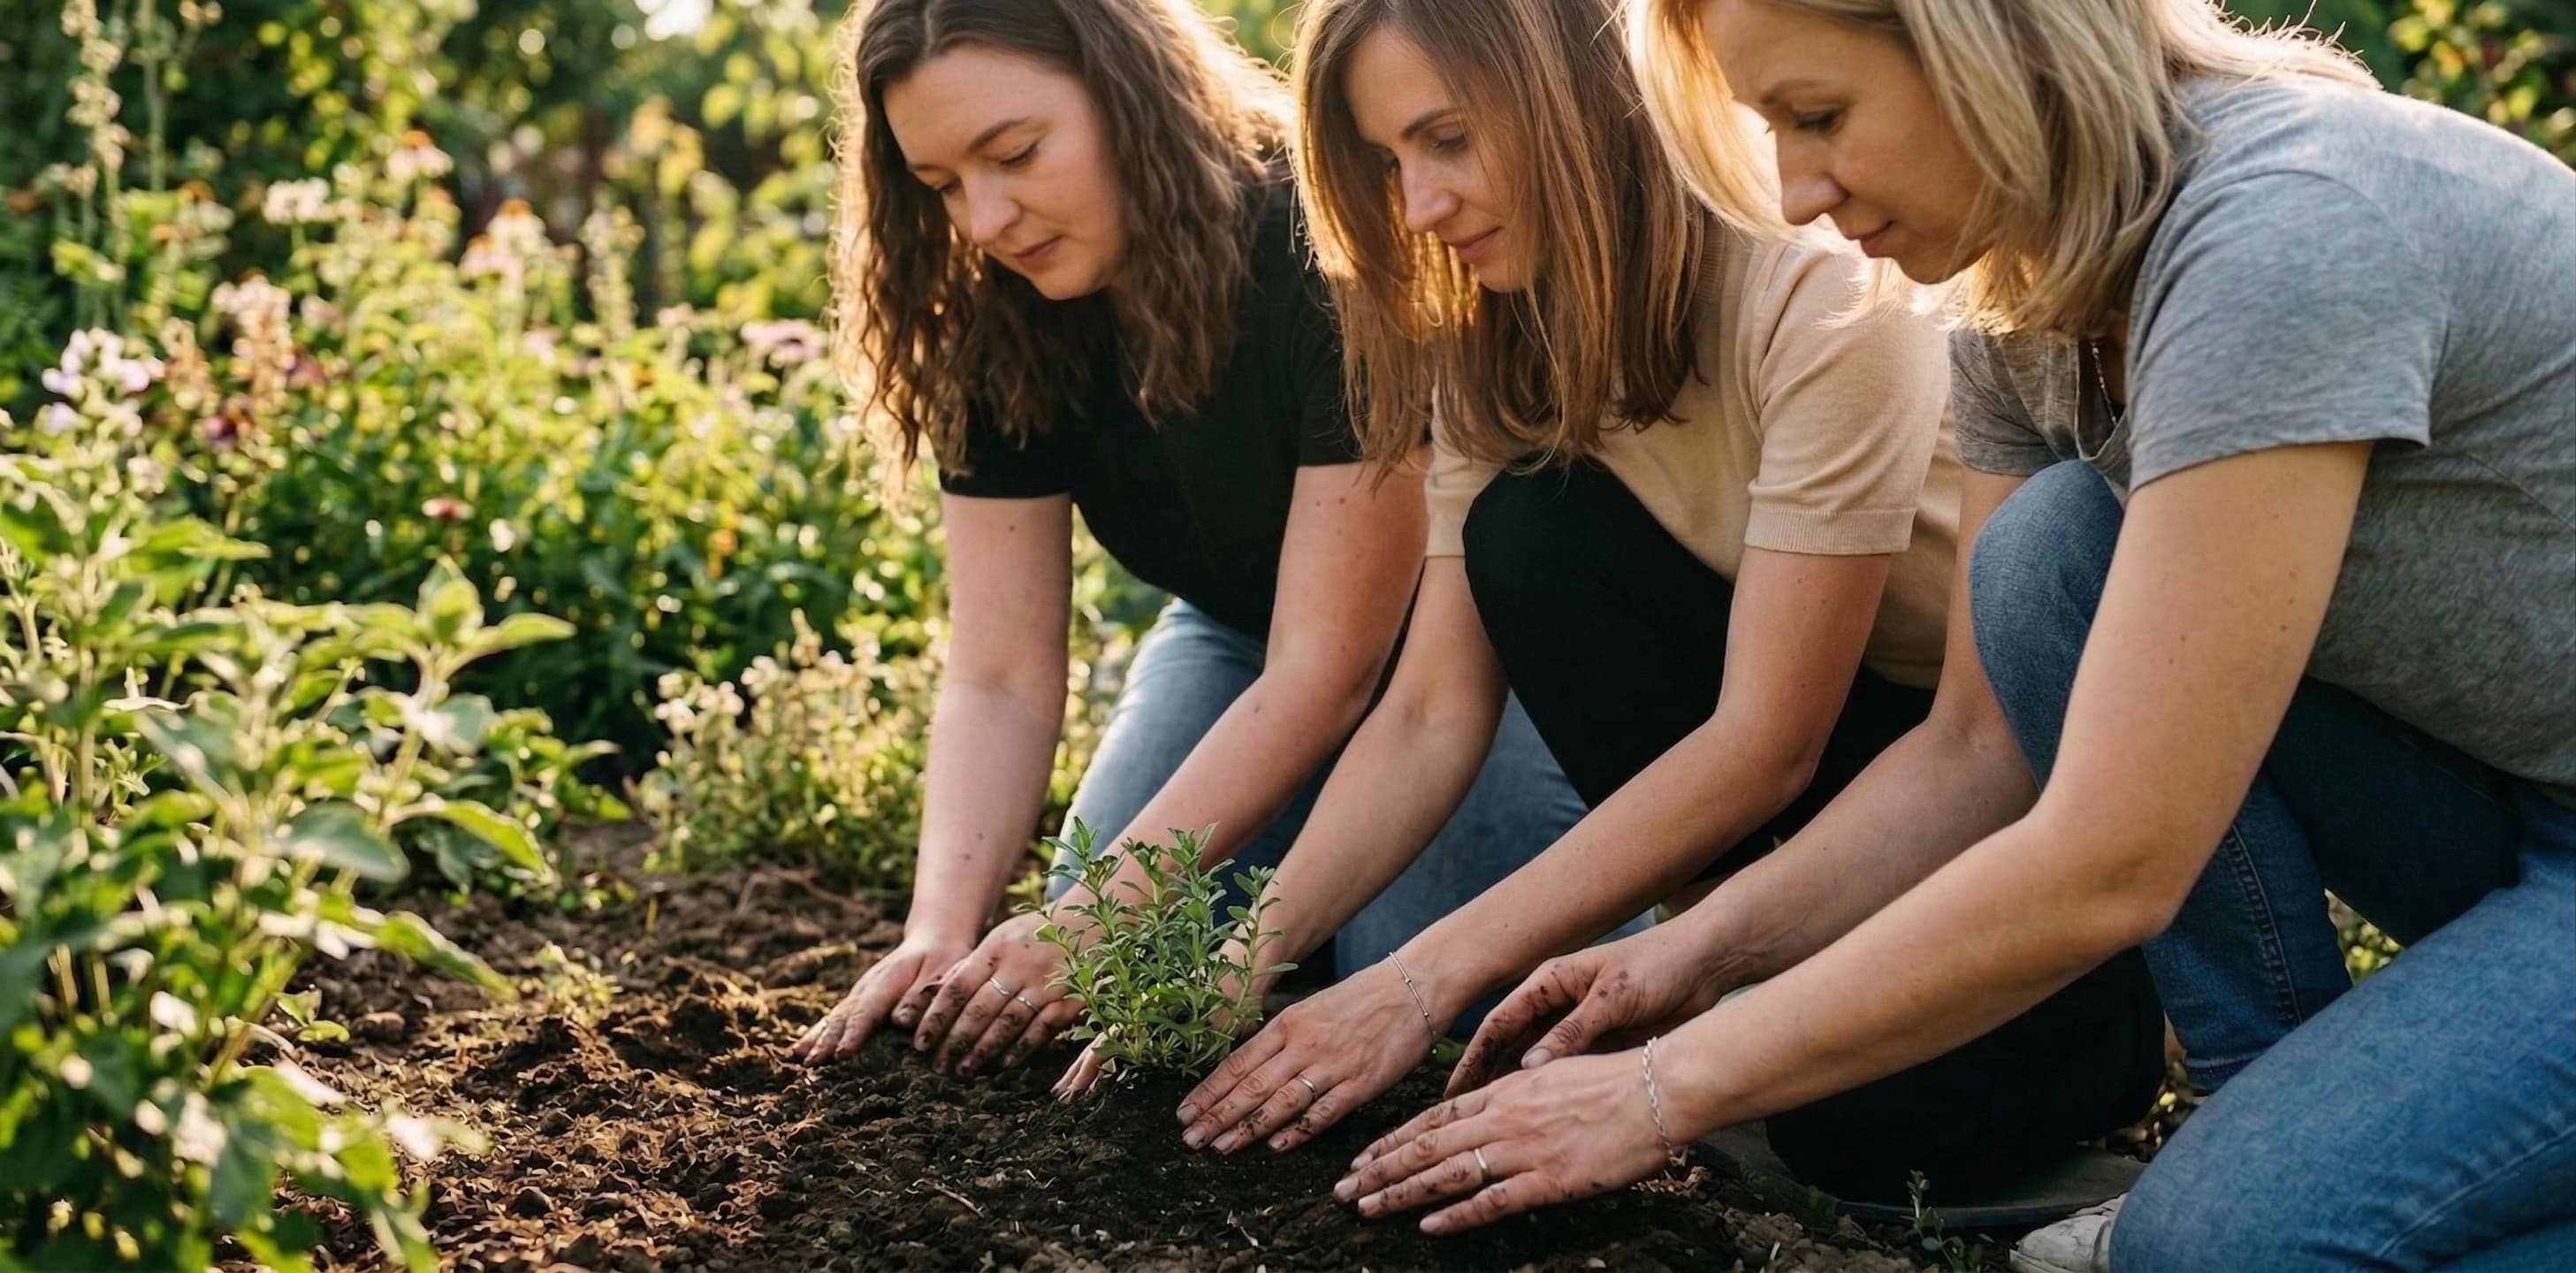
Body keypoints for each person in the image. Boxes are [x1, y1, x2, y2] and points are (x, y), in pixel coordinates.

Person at [1338, 2, 2576, 1267]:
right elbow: (1973, 751)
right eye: (1770, 128)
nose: (1792, 187)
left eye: (1817, 118)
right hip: (2501, 799)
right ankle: (2261, 1103)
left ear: (1991, 47)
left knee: (2214, 1249)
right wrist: (1681, 962)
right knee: (2048, 556)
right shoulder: (2024, 296)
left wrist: (1663, 1090)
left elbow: (2113, 857)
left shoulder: (2279, 232)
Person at [1157, 0, 2161, 1202]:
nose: (1418, 206)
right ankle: (1729, 999)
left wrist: (1420, 981)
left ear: (1575, 105)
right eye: (1387, 164)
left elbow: (1767, 746)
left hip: (1974, 775)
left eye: (1449, 140)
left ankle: (1960, 1051)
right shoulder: (1490, 332)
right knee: (1530, 533)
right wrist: (1240, 955)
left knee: (1869, 1143)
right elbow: (1428, 711)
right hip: (1789, 787)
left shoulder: (1810, 290)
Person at [787, 0, 1583, 1079]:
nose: (982, 218)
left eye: (1015, 153)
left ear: (1132, 95)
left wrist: (1123, 905)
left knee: (1419, 1003)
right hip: (1235, 639)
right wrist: (942, 926)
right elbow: (999, 676)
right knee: (1100, 964)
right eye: (940, 186)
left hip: (1471, 661)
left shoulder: (1329, 242)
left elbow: (1330, 669)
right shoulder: (996, 316)